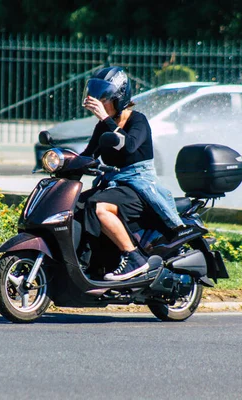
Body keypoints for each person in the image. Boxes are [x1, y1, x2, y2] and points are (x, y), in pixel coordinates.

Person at [80, 66, 184, 281]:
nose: (101, 105)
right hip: (116, 185)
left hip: (139, 187)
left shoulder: (138, 120)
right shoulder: (103, 127)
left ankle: (134, 257)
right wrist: (60, 160)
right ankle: (91, 263)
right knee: (78, 203)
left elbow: (129, 146)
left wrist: (104, 119)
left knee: (100, 208)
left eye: (105, 99)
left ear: (119, 98)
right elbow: (88, 155)